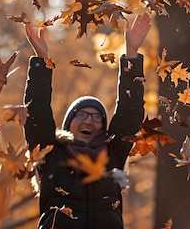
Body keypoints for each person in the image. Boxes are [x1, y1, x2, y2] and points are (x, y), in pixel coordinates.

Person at [23, 13, 151, 229]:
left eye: (96, 117)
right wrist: (42, 60)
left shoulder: (112, 155)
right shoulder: (51, 154)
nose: (89, 121)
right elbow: (36, 113)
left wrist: (131, 55)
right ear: (68, 123)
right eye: (81, 115)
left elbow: (130, 113)